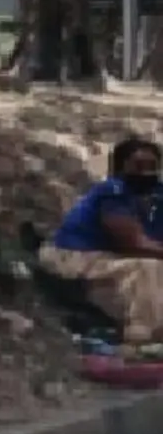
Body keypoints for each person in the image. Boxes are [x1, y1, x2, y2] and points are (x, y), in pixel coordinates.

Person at [41, 136, 163, 345]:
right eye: (138, 165)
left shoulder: (157, 196)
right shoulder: (113, 191)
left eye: (152, 166)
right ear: (120, 167)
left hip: (111, 257)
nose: (146, 172)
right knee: (148, 267)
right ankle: (145, 334)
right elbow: (133, 244)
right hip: (76, 255)